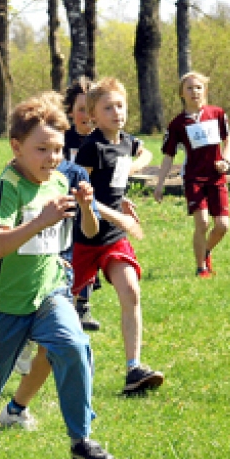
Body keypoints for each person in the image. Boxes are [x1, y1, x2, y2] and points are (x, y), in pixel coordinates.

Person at [0, 92, 113, 459]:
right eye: (42, 149)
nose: (52, 158)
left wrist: (85, 207)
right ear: (16, 147)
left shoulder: (62, 180)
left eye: (58, 150)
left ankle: (81, 440)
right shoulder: (7, 187)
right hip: (8, 305)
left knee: (74, 345)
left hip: (51, 292)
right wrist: (39, 222)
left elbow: (89, 232)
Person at [72, 77, 163, 395]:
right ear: (94, 115)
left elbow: (146, 154)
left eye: (120, 105)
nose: (116, 112)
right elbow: (82, 196)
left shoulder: (126, 142)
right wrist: (119, 214)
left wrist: (127, 177)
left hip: (113, 239)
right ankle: (19, 348)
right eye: (107, 107)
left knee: (131, 292)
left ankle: (133, 368)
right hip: (84, 238)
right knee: (55, 309)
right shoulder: (90, 148)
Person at [154, 71, 230, 278]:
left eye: (198, 87)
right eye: (189, 88)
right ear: (182, 93)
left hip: (216, 178)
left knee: (223, 225)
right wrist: (159, 184)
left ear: (205, 90)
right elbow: (168, 156)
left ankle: (206, 250)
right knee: (203, 223)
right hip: (193, 178)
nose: (194, 91)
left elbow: (228, 141)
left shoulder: (217, 114)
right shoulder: (177, 124)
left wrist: (225, 160)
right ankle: (201, 268)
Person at [62, 76, 101, 331]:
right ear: (70, 112)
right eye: (81, 109)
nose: (86, 115)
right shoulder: (61, 138)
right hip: (64, 202)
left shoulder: (103, 139)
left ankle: (83, 306)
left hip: (94, 202)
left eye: (90, 109)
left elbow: (141, 152)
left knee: (90, 247)